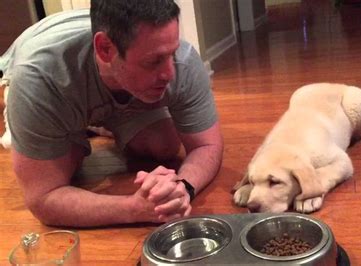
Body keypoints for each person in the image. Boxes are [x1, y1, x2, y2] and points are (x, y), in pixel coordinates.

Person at [0, 0, 223, 227]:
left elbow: (206, 146)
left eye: (171, 54)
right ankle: (16, 108)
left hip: (106, 82)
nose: (170, 73)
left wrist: (182, 188)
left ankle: (98, 118)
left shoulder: (183, 60)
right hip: (46, 79)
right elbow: (43, 197)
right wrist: (134, 209)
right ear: (106, 49)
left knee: (164, 145)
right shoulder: (37, 77)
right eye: (154, 61)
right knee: (71, 162)